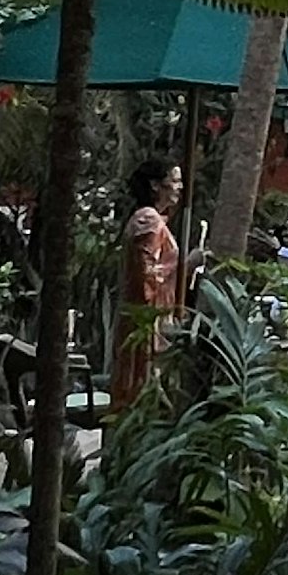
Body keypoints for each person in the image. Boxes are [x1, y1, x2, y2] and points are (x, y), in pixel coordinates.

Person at [114, 160, 184, 407]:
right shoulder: (149, 220)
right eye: (174, 181)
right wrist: (187, 263)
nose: (179, 187)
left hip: (149, 317)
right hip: (146, 319)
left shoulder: (152, 220)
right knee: (145, 383)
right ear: (156, 185)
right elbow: (147, 274)